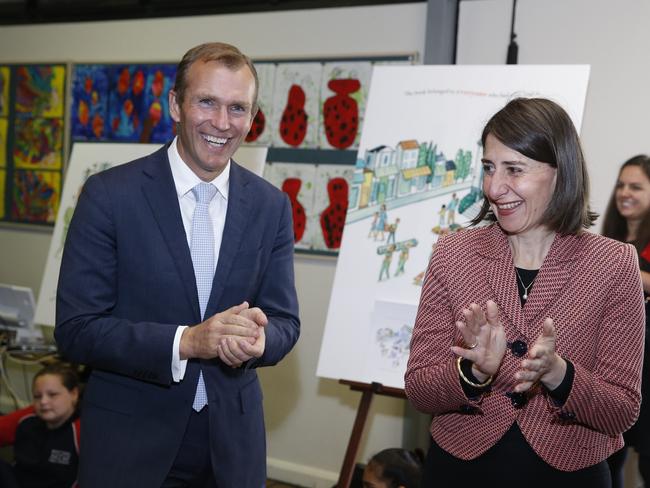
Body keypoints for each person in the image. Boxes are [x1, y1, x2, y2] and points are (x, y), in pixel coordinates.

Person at [55, 42, 300, 488]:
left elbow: (286, 321)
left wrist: (260, 339)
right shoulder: (110, 196)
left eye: (237, 108)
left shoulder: (271, 206)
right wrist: (186, 342)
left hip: (232, 449)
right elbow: (77, 328)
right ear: (175, 104)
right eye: (207, 102)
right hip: (131, 444)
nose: (222, 123)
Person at [404, 98, 645, 487]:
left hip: (570, 473)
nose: (495, 187)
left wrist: (559, 374)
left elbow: (622, 410)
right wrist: (473, 372)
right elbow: (419, 389)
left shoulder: (613, 263)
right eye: (488, 168)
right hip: (460, 469)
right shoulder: (453, 254)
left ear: (560, 172)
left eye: (514, 170)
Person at [602, 155, 650, 488]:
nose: (624, 192)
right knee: (607, 458)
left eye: (636, 186)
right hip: (615, 364)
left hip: (649, 370)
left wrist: (622, 268)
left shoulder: (620, 257)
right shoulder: (610, 241)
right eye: (621, 185)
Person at [0, 363, 81, 488]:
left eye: (52, 395)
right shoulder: (28, 418)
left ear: (74, 394)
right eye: (37, 396)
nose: (43, 402)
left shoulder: (83, 430)